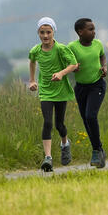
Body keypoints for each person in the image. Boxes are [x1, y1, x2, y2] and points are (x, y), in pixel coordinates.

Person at [28, 17, 79, 172]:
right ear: (38, 33)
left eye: (48, 32)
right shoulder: (35, 50)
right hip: (45, 91)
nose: (45, 36)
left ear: (53, 32)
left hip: (61, 91)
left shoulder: (61, 49)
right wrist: (32, 80)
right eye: (42, 32)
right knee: (47, 122)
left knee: (59, 125)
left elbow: (74, 64)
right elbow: (32, 61)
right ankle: (48, 158)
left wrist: (61, 73)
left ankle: (65, 143)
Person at [69, 17, 108, 168]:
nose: (94, 32)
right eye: (90, 29)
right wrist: (73, 66)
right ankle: (98, 150)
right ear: (80, 32)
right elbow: (67, 61)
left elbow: (102, 56)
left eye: (94, 29)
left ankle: (97, 149)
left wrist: (104, 67)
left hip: (97, 85)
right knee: (86, 120)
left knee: (90, 116)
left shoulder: (98, 44)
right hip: (81, 88)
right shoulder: (72, 47)